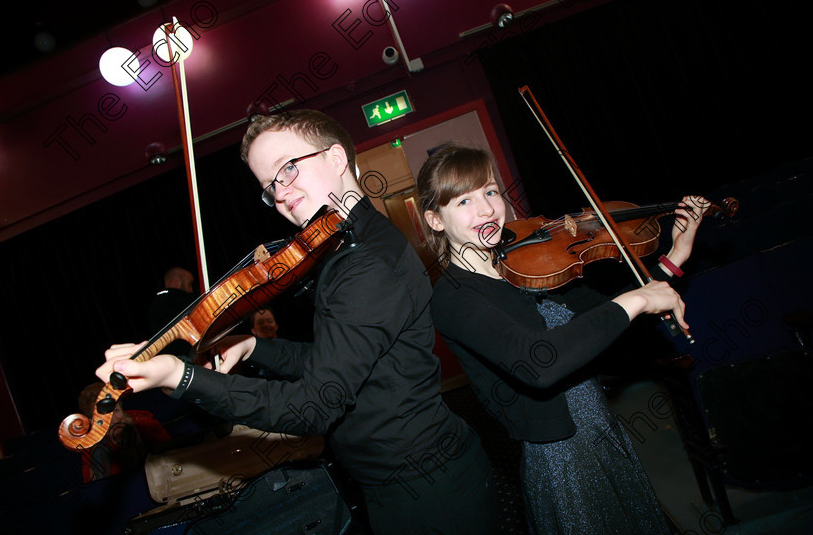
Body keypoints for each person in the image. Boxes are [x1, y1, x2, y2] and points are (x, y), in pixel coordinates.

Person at [95, 111, 501, 534]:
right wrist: (254, 347)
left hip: (430, 494)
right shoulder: (347, 246)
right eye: (270, 186)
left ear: (337, 157)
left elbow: (315, 405)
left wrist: (182, 376)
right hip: (400, 482)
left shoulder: (366, 264)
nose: (282, 193)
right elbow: (335, 363)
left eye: (288, 168)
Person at [416, 143, 707, 535]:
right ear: (435, 220)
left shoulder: (530, 264)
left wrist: (674, 255)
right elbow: (539, 363)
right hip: (562, 459)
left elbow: (607, 319)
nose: (486, 209)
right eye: (464, 201)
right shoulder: (452, 298)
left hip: (603, 431)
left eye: (489, 191)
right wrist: (635, 298)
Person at [77, 382, 172, 483]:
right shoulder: (91, 447)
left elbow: (173, 459)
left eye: (116, 410)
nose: (115, 419)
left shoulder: (146, 425)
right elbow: (94, 487)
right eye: (104, 417)